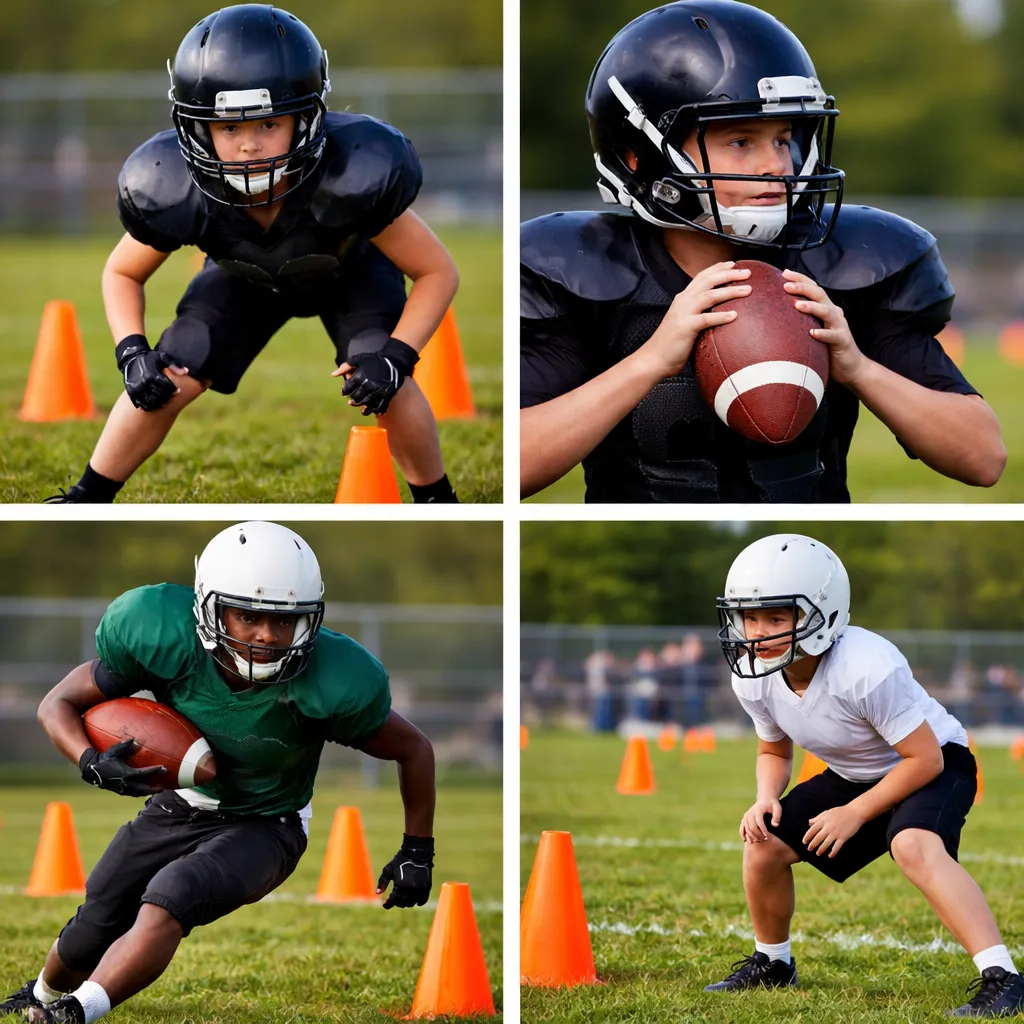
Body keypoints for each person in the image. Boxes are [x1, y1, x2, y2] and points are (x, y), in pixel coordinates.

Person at [520, 0, 1005, 502]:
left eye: (782, 138)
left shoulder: (845, 266)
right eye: (740, 141)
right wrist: (648, 362)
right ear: (637, 155)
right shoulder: (585, 271)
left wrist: (858, 368)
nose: (776, 164)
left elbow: (983, 456)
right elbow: (516, 467)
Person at [0, 521, 436, 1024]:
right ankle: (41, 995)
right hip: (182, 803)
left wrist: (417, 851)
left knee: (174, 893)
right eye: (248, 615)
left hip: (267, 822)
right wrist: (89, 759)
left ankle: (78, 1012)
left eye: (284, 621)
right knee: (97, 915)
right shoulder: (163, 638)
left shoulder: (333, 679)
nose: (268, 635)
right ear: (210, 608)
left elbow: (415, 749)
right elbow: (59, 703)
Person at [48, 4, 459, 504]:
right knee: (170, 370)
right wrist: (132, 352)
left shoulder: (352, 170)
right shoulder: (174, 184)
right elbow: (121, 272)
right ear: (198, 130)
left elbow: (437, 271)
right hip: (241, 278)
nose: (248, 145)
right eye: (229, 129)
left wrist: (398, 357)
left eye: (267, 125)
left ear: (305, 118)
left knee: (380, 373)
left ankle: (436, 498)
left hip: (350, 273)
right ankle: (87, 496)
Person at [706, 533, 1024, 1017]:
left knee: (913, 844)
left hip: (933, 760)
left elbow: (925, 761)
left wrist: (854, 813)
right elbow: (773, 748)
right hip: (856, 772)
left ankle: (1004, 977)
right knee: (763, 844)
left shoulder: (864, 665)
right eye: (750, 617)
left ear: (821, 613)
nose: (758, 632)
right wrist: (766, 795)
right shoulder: (755, 672)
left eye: (776, 617)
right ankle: (773, 964)